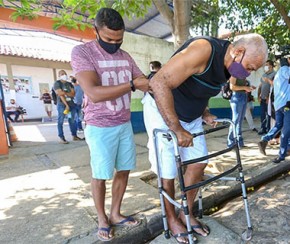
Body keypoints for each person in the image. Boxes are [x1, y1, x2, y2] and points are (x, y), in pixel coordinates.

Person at [143, 33, 268, 243]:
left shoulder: (229, 66)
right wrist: (175, 128)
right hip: (162, 110)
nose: (248, 73)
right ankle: (172, 219)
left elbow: (200, 90)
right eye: (250, 67)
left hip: (191, 115)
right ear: (238, 52)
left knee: (200, 162)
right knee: (168, 169)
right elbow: (158, 83)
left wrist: (205, 113)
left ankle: (186, 212)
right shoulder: (203, 49)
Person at [70, 8, 149, 242]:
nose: (115, 44)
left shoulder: (125, 57)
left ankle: (115, 213)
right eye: (109, 39)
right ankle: (102, 217)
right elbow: (93, 93)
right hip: (99, 125)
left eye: (119, 39)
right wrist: (132, 85)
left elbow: (144, 80)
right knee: (101, 174)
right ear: (95, 31)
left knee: (124, 170)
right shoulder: (83, 52)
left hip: (123, 122)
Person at [258, 57, 290, 159]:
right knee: (287, 129)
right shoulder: (285, 70)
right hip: (286, 104)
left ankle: (265, 139)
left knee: (278, 125)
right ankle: (284, 151)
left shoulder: (278, 73)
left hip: (279, 104)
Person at [53, 70, 84, 144]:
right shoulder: (57, 83)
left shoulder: (69, 84)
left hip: (71, 104)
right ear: (59, 75)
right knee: (61, 120)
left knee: (72, 120)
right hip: (62, 105)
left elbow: (73, 94)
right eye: (62, 74)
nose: (64, 75)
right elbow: (59, 94)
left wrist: (64, 93)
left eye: (65, 74)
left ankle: (74, 135)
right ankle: (61, 137)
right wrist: (66, 105)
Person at [227, 77, 256, 148]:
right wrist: (245, 88)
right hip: (237, 97)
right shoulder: (234, 73)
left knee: (240, 120)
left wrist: (249, 88)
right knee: (235, 120)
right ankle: (230, 142)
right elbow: (232, 87)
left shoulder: (243, 74)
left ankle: (239, 141)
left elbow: (242, 87)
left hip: (243, 96)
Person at [257, 60, 276, 135]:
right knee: (262, 114)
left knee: (269, 115)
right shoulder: (264, 75)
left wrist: (269, 97)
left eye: (267, 65)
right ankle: (263, 128)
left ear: (271, 66)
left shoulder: (275, 74)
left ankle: (268, 129)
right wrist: (258, 96)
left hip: (270, 99)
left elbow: (274, 87)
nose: (265, 66)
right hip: (262, 98)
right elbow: (260, 87)